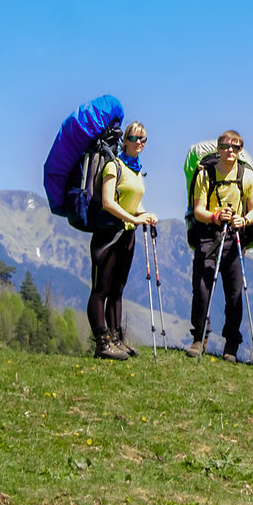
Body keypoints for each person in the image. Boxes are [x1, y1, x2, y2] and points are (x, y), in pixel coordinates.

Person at [186, 129, 253, 360]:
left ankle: (232, 343)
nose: (231, 150)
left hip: (235, 236)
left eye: (236, 147)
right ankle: (199, 337)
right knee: (201, 289)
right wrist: (215, 216)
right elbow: (198, 209)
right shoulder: (205, 174)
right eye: (226, 146)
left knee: (235, 292)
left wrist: (244, 220)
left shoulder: (247, 175)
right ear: (218, 148)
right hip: (209, 234)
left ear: (240, 151)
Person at [89, 121, 158, 361]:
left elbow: (132, 201)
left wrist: (144, 215)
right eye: (135, 137)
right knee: (101, 290)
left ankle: (117, 338)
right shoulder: (113, 166)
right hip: (108, 235)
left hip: (127, 235)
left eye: (143, 139)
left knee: (117, 290)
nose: (139, 142)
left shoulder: (137, 170)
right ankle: (102, 342)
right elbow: (109, 202)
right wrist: (135, 219)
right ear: (125, 140)